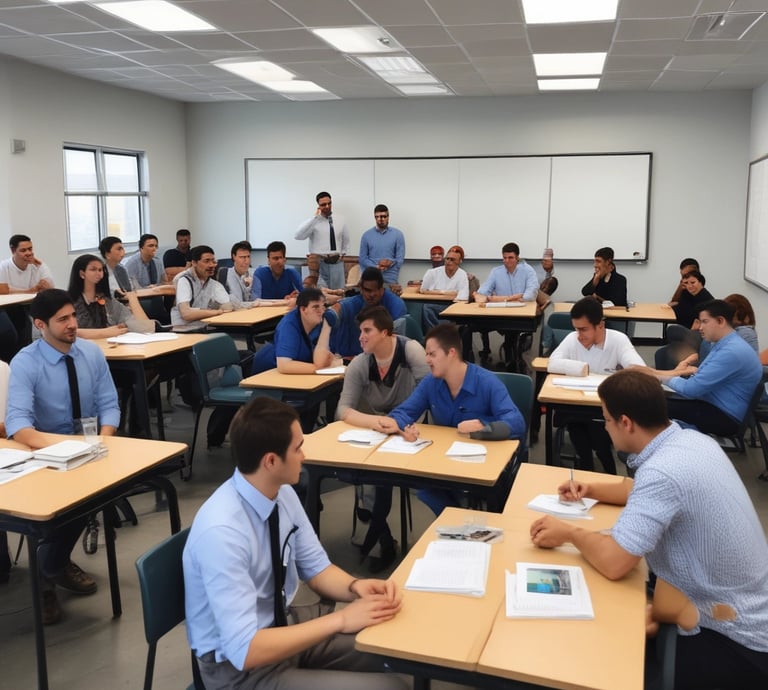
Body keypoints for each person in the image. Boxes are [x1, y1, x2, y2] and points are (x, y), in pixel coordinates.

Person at [530, 370, 768, 690]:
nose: (607, 428)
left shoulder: (662, 472)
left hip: (735, 639)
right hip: (747, 605)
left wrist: (569, 533)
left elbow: (615, 562)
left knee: (596, 652)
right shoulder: (688, 440)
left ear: (626, 422)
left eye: (607, 420)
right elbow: (646, 491)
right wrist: (593, 489)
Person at [183, 397, 406, 690]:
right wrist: (340, 621)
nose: (304, 455)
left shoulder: (279, 492)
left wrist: (355, 587)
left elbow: (317, 569)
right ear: (271, 461)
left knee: (395, 651)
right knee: (390, 688)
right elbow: (244, 649)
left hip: (281, 629)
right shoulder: (222, 532)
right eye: (297, 447)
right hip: (239, 671)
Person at [5, 289, 121, 625]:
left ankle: (52, 564)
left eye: (73, 316)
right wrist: (59, 450)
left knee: (93, 496)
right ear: (40, 324)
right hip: (44, 452)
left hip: (90, 446)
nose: (73, 324)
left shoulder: (90, 353)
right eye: (63, 320)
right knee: (56, 510)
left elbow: (109, 404)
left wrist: (103, 440)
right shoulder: (26, 361)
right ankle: (47, 577)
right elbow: (18, 424)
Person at [382, 324, 526, 515]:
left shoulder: (487, 382)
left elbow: (517, 423)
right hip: (444, 463)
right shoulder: (431, 382)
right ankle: (457, 522)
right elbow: (405, 412)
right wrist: (399, 427)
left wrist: (483, 427)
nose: (427, 360)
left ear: (451, 353)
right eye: (427, 354)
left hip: (482, 465)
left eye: (432, 354)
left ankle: (460, 522)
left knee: (488, 495)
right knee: (423, 485)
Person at [334, 306, 430, 571]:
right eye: (360, 332)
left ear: (386, 333)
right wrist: (376, 422)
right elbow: (343, 410)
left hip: (412, 426)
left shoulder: (410, 351)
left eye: (367, 331)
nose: (360, 338)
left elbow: (429, 391)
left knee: (381, 477)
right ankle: (382, 536)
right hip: (377, 427)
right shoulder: (360, 362)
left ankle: (378, 538)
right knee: (368, 474)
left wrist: (399, 424)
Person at [549, 298, 645, 474]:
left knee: (596, 433)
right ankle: (587, 468)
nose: (579, 335)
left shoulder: (618, 340)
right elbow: (552, 363)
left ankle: (605, 470)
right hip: (576, 405)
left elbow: (639, 370)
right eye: (576, 329)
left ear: (600, 325)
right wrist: (581, 368)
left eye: (583, 329)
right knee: (577, 428)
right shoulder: (573, 339)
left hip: (604, 409)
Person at [647, 299, 762, 436]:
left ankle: (649, 448)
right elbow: (699, 376)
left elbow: (691, 389)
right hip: (712, 404)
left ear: (720, 321)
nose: (700, 327)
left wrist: (660, 378)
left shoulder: (731, 351)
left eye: (705, 322)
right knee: (653, 398)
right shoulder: (724, 344)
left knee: (650, 404)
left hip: (725, 417)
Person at [67, 254, 154, 338]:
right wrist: (105, 332)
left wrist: (132, 298)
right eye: (93, 269)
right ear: (82, 274)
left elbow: (146, 328)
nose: (98, 273)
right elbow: (68, 331)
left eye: (100, 270)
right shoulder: (69, 302)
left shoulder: (107, 301)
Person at [329, 267, 407, 359]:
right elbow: (338, 308)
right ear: (361, 289)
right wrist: (330, 314)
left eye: (376, 290)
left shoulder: (396, 305)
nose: (372, 294)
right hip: (346, 359)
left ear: (382, 290)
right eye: (368, 290)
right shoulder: (354, 302)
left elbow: (396, 342)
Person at [0, 234, 55, 350]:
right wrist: (29, 291)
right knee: (16, 325)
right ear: (13, 250)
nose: (29, 253)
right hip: (10, 307)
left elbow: (49, 288)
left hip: (33, 303)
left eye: (30, 249)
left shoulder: (38, 265)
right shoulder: (4, 266)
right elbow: (3, 291)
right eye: (23, 250)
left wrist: (36, 289)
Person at [295, 191, 350, 290]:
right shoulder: (314, 222)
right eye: (323, 204)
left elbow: (345, 239)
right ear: (318, 206)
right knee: (320, 296)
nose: (327, 206)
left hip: (336, 263)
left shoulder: (341, 220)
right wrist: (315, 218)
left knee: (338, 294)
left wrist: (343, 253)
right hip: (319, 264)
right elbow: (298, 236)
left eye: (329, 203)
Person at [171, 245, 233, 327]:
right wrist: (216, 312)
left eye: (213, 261)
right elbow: (186, 314)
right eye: (206, 261)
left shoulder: (213, 284)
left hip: (204, 326)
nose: (212, 265)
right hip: (183, 328)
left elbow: (228, 307)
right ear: (194, 263)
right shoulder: (184, 280)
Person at [419, 245, 469, 330]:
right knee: (427, 307)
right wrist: (447, 292)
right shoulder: (432, 273)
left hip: (453, 305)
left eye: (452, 260)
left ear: (460, 262)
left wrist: (434, 291)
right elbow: (423, 290)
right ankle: (435, 335)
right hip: (435, 303)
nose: (448, 262)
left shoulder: (462, 274)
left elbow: (462, 297)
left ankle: (441, 333)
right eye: (447, 258)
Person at [474, 242, 538, 303]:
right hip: (502, 310)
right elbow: (482, 294)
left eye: (510, 258)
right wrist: (511, 298)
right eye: (505, 258)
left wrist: (498, 299)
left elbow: (531, 295)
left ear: (517, 258)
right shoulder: (496, 272)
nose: (507, 261)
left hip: (524, 308)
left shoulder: (528, 270)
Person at [359, 204, 405, 286]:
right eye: (378, 217)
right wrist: (376, 267)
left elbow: (400, 259)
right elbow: (363, 259)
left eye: (384, 216)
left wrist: (389, 263)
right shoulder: (366, 235)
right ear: (375, 218)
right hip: (371, 277)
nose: (381, 219)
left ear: (388, 217)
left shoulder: (398, 235)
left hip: (390, 278)